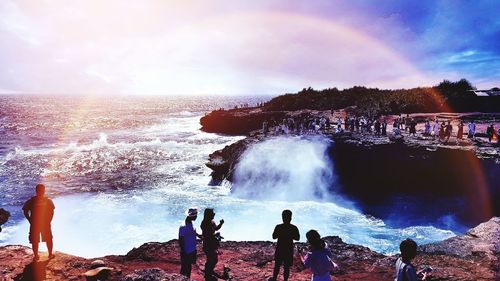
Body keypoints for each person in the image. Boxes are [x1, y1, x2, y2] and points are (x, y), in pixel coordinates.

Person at [23, 183, 55, 261]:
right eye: (40, 190)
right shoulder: (35, 201)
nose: (41, 191)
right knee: (36, 240)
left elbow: (52, 211)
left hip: (40, 223)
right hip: (38, 223)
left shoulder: (45, 201)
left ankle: (46, 254)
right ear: (37, 191)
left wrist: (30, 220)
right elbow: (25, 210)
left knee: (45, 239)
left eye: (42, 190)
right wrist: (30, 220)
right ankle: (40, 255)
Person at [269, 210, 300, 281]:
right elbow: (297, 238)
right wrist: (290, 235)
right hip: (288, 249)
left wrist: (281, 233)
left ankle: (274, 279)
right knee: (286, 267)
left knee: (277, 265)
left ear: (282, 217)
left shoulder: (279, 227)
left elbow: (274, 237)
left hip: (280, 248)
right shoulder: (294, 228)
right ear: (291, 218)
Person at [201, 208, 224, 281]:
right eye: (212, 213)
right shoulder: (205, 223)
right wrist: (216, 236)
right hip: (208, 245)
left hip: (211, 244)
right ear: (208, 215)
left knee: (212, 259)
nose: (214, 214)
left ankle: (209, 272)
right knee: (212, 259)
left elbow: (216, 228)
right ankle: (208, 275)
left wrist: (221, 223)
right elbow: (208, 235)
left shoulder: (211, 221)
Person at [179, 207, 202, 278]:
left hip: (192, 249)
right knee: (184, 268)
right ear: (192, 216)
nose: (197, 216)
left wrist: (199, 235)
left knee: (188, 267)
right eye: (196, 215)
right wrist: (183, 252)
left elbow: (192, 232)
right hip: (186, 251)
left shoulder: (191, 223)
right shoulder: (183, 226)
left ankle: (187, 279)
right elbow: (181, 239)